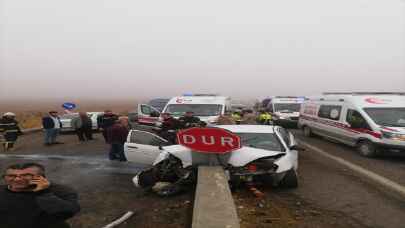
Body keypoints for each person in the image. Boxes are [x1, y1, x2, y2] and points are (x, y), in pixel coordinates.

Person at [0, 163, 80, 228]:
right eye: (11, 176)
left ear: (41, 177)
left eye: (26, 175)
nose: (17, 179)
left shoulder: (59, 190)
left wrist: (43, 192)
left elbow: (68, 212)